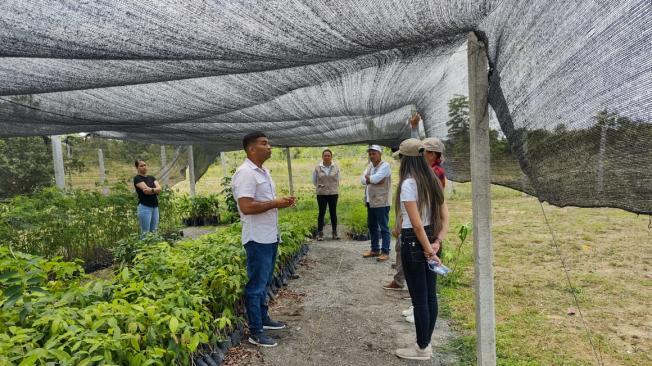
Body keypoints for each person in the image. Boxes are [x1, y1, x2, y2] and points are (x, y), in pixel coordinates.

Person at [231, 131, 296, 348]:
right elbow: (246, 206)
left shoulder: (263, 171)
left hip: (269, 236)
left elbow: (264, 201)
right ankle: (255, 331)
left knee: (264, 281)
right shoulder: (245, 173)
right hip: (257, 239)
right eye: (264, 143)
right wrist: (275, 203)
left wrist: (280, 201)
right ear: (251, 149)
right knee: (256, 285)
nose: (269, 147)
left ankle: (264, 319)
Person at [391, 138, 449, 361]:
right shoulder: (433, 179)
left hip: (416, 243)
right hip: (431, 239)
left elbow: (415, 224)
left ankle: (422, 347)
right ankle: (425, 342)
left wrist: (428, 249)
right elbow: (445, 217)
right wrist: (436, 243)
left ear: (406, 160)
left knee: (419, 299)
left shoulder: (408, 184)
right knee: (430, 296)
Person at [360, 144, 392, 262]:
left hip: (382, 202)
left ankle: (385, 252)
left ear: (380, 154)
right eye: (370, 153)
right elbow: (362, 180)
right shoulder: (370, 166)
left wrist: (371, 178)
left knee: (383, 227)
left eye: (374, 153)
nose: (372, 156)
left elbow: (376, 179)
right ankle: (374, 249)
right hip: (370, 201)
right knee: (372, 226)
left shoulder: (385, 166)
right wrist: (371, 179)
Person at [312, 148, 340, 241]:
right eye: (325, 155)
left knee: (333, 213)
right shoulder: (317, 167)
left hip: (333, 193)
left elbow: (338, 179)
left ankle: (334, 232)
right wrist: (321, 186)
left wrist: (332, 187)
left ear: (331, 157)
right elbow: (314, 181)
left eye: (328, 155)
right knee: (321, 213)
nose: (327, 157)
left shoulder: (336, 167)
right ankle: (320, 233)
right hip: (321, 194)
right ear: (322, 157)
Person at [133, 159, 162, 238]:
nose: (144, 167)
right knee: (145, 233)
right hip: (144, 208)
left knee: (154, 232)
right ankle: (144, 250)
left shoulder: (151, 177)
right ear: (137, 168)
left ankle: (153, 249)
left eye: (145, 165)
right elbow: (146, 191)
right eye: (141, 166)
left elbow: (160, 189)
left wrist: (151, 190)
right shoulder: (137, 178)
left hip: (155, 207)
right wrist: (155, 190)